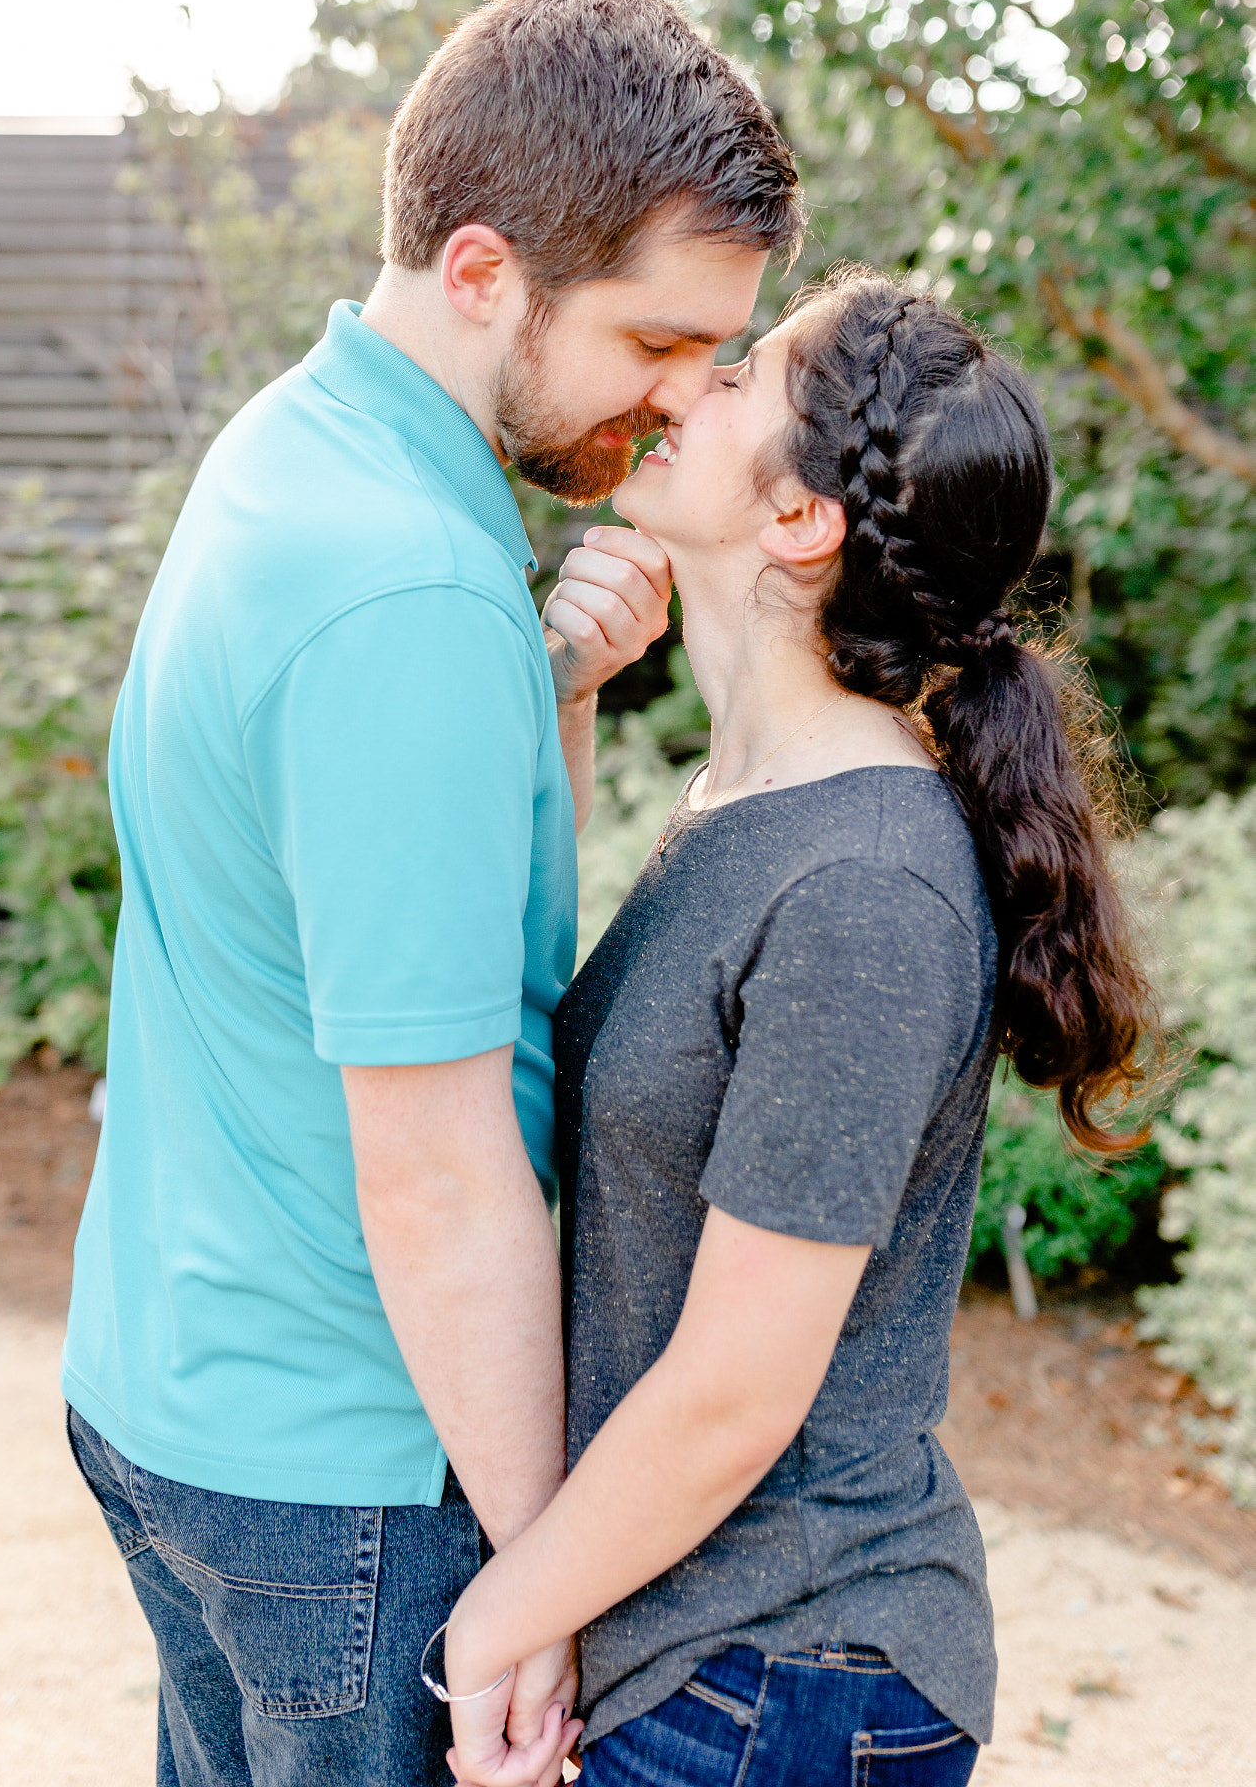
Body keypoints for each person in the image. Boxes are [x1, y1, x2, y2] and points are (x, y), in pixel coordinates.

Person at [60, 0, 801, 1787]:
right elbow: (439, 1169)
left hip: (179, 1385)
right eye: (651, 344)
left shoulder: (297, 451)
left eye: (713, 355)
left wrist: (543, 696)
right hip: (352, 1470)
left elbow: (389, 924)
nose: (679, 402)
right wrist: (548, 1571)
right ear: (484, 273)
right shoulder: (407, 591)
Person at [436, 266, 1160, 1787]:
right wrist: (567, 698)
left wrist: (499, 1616)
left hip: (783, 1679)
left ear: (799, 521)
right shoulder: (747, 806)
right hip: (699, 1651)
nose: (684, 378)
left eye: (741, 369)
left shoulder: (862, 889)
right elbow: (526, 1022)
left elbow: (736, 1388)